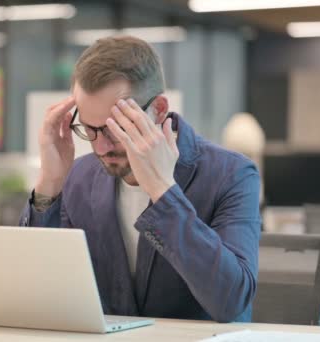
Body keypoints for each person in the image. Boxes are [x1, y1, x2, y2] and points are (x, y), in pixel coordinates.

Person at [19, 36, 261, 323]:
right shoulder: (79, 177)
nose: (100, 147)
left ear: (158, 109)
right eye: (89, 128)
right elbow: (35, 289)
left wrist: (162, 190)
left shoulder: (231, 174)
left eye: (115, 128)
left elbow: (230, 301)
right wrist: (50, 181)